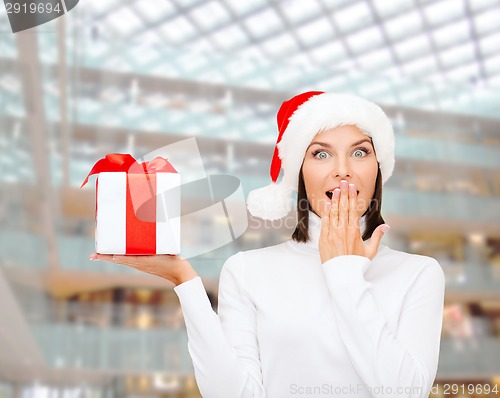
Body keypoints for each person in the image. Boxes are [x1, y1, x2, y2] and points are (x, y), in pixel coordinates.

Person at [90, 91, 446, 398]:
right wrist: (185, 281)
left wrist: (345, 272)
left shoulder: (419, 273)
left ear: (379, 167)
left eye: (360, 152)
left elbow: (405, 392)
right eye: (321, 154)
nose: (343, 170)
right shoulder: (248, 270)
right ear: (300, 173)